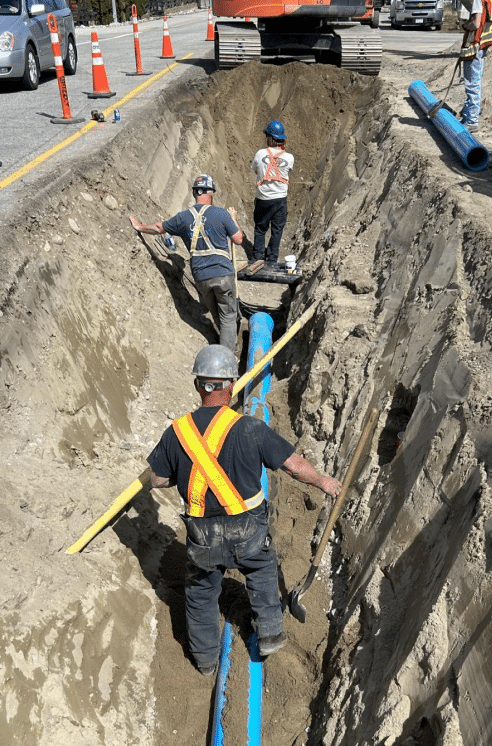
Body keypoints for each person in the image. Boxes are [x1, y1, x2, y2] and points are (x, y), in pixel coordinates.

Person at [147, 344, 343, 675]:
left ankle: (207, 661)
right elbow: (294, 466)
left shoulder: (177, 433)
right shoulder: (250, 428)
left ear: (198, 385)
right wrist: (323, 482)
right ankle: (269, 636)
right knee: (263, 573)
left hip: (203, 534)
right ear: (232, 385)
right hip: (247, 528)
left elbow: (157, 479)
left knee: (200, 594)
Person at [130, 175, 244, 353]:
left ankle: (226, 346)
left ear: (193, 193)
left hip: (201, 277)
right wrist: (234, 218)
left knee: (216, 314)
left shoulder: (183, 217)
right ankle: (228, 359)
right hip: (222, 274)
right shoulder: (222, 214)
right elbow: (238, 239)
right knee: (228, 316)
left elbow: (159, 228)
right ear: (211, 193)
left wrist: (140, 227)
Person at [459, 0, 492, 133]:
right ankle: (468, 115)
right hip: (485, 43)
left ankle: (472, 121)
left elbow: (476, 23)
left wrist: (465, 26)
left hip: (476, 44)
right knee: (475, 81)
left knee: (472, 83)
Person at [251, 119, 294, 266]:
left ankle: (257, 257)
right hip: (280, 200)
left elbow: (256, 170)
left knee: (260, 229)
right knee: (277, 230)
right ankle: (271, 260)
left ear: (270, 138)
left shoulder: (260, 154)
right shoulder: (289, 157)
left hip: (263, 198)